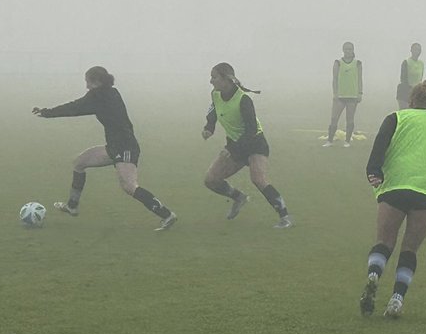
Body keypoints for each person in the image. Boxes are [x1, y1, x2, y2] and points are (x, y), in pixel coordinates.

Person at [360, 78, 426, 318]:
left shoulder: (397, 118)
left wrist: (374, 172)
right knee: (409, 249)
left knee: (385, 242)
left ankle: (374, 274)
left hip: (396, 185)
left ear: (412, 100)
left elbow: (379, 146)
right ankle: (397, 299)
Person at [32, 66, 177, 231]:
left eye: (88, 82)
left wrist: (46, 113)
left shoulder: (99, 96)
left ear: (97, 82)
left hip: (125, 147)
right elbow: (80, 106)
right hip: (114, 146)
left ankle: (167, 215)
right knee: (79, 163)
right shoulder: (110, 92)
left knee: (129, 186)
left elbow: (74, 108)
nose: (86, 86)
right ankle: (72, 206)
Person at [201, 62, 293, 228]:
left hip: (254, 144)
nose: (211, 81)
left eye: (214, 77)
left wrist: (233, 148)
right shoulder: (216, 93)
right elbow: (214, 109)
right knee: (211, 180)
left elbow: (251, 130)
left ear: (227, 79)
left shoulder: (244, 100)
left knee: (258, 179)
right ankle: (239, 197)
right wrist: (209, 127)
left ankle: (284, 217)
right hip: (235, 145)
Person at [324, 42, 363, 148]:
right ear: (343, 50)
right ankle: (329, 140)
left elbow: (360, 79)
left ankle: (347, 141)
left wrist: (360, 93)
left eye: (350, 49)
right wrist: (335, 93)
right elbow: (335, 79)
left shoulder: (358, 63)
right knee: (334, 118)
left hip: (352, 96)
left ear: (353, 50)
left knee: (350, 119)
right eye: (346, 49)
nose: (348, 51)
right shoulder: (338, 63)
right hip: (340, 96)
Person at [397, 43, 425, 110]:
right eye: (415, 49)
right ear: (411, 50)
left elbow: (420, 78)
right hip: (405, 92)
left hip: (416, 93)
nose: (417, 51)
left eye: (419, 50)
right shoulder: (406, 62)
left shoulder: (421, 63)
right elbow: (403, 78)